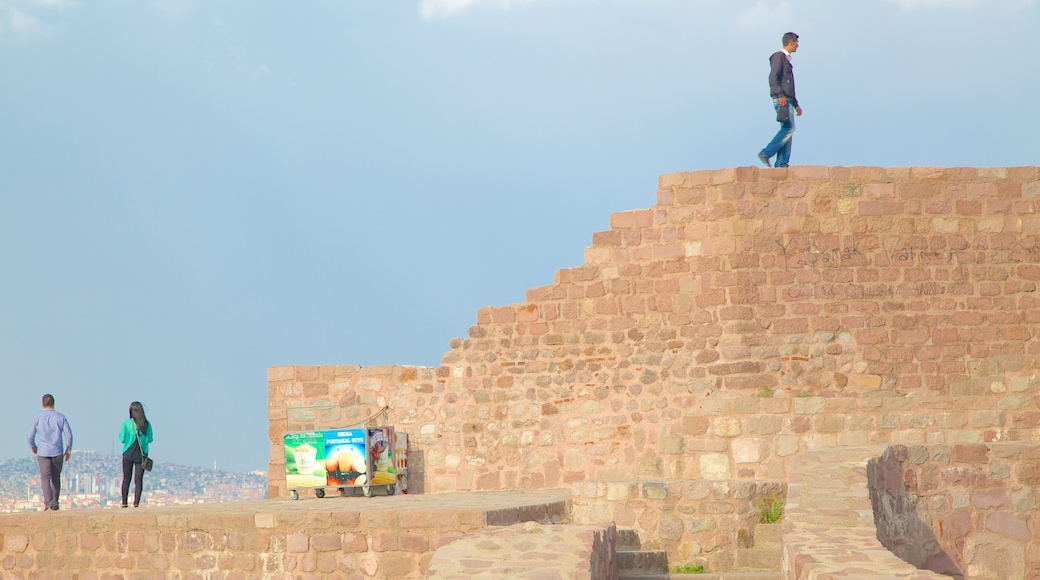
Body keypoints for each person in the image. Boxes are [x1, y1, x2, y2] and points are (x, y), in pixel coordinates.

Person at [758, 32, 802, 168]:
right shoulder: (779, 57)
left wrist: (796, 104)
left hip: (787, 99)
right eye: (796, 43)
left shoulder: (787, 60)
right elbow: (773, 78)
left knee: (787, 130)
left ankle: (782, 163)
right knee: (789, 128)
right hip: (782, 99)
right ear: (791, 42)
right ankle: (766, 153)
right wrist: (780, 95)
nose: (798, 46)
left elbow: (789, 84)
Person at [27, 394, 73, 511]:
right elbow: (69, 435)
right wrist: (68, 450)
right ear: (53, 403)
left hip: (43, 452)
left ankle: (48, 503)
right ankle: (55, 503)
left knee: (45, 479)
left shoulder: (37, 418)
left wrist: (34, 448)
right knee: (56, 478)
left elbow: (30, 437)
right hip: (57, 452)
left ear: (42, 404)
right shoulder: (61, 417)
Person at [118, 401, 154, 508]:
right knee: (138, 480)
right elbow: (150, 439)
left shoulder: (126, 424)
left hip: (128, 453)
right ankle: (136, 503)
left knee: (126, 479)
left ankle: (124, 502)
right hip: (141, 454)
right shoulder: (147, 424)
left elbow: (122, 439)